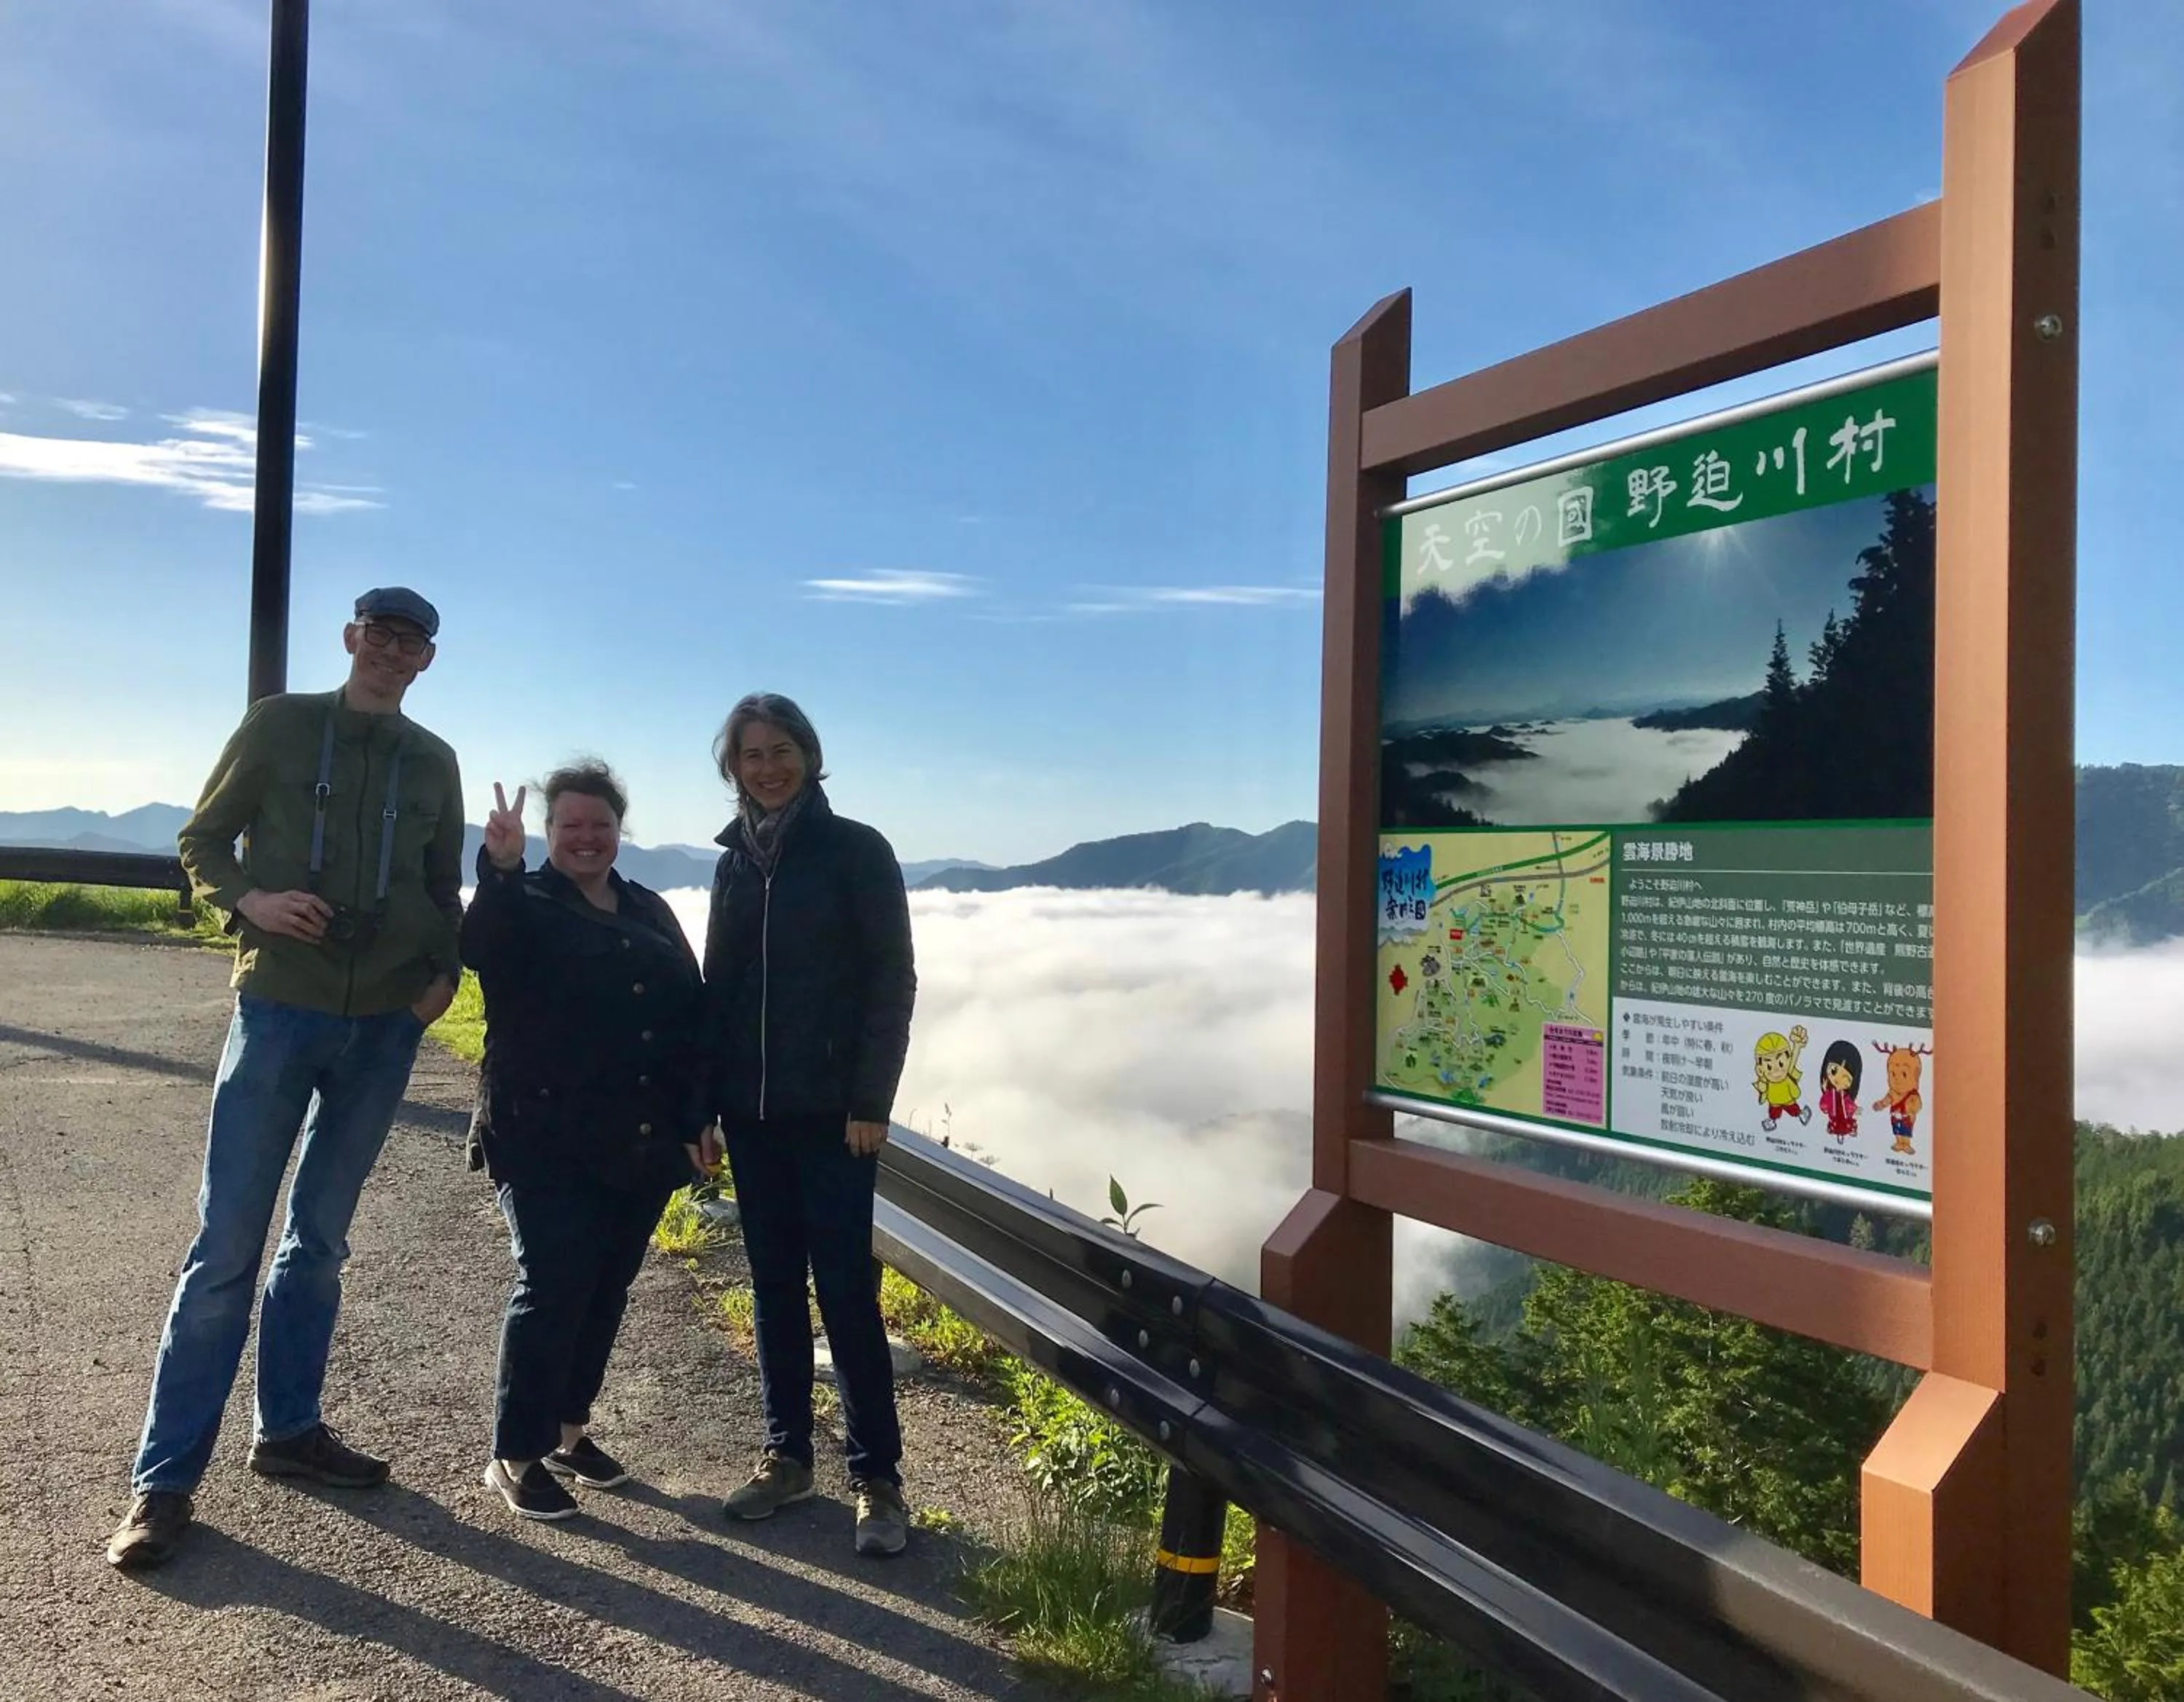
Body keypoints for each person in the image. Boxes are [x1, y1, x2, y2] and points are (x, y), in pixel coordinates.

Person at [107, 588, 464, 1572]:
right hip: (279, 1008)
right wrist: (251, 901)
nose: (393, 652)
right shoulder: (279, 726)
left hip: (384, 1024)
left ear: (428, 660)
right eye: (379, 635)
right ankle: (165, 1481)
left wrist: (438, 980)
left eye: (412, 642)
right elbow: (201, 841)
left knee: (320, 1241)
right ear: (352, 640)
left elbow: (443, 887)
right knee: (225, 1246)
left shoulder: (433, 760)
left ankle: (289, 1429)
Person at [462, 762, 713, 1521]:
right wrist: (498, 869)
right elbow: (480, 947)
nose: (586, 837)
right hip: (542, 1137)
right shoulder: (525, 900)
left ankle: (570, 1429)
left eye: (599, 824)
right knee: (552, 1285)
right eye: (570, 825)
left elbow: (692, 1019)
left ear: (619, 829)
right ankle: (514, 1452)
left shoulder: (649, 906)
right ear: (547, 833)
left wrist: (700, 1112)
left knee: (606, 1286)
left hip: (641, 1139)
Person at [701, 693, 917, 1557]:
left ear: (810, 755)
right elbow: (718, 995)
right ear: (734, 770)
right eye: (751, 755)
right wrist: (704, 1107)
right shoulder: (731, 866)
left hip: (835, 1119)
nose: (767, 766)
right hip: (753, 1118)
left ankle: (878, 1478)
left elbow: (890, 980)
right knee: (773, 1288)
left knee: (847, 1293)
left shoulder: (856, 851)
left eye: (781, 749)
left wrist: (872, 1100)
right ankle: (787, 1455)